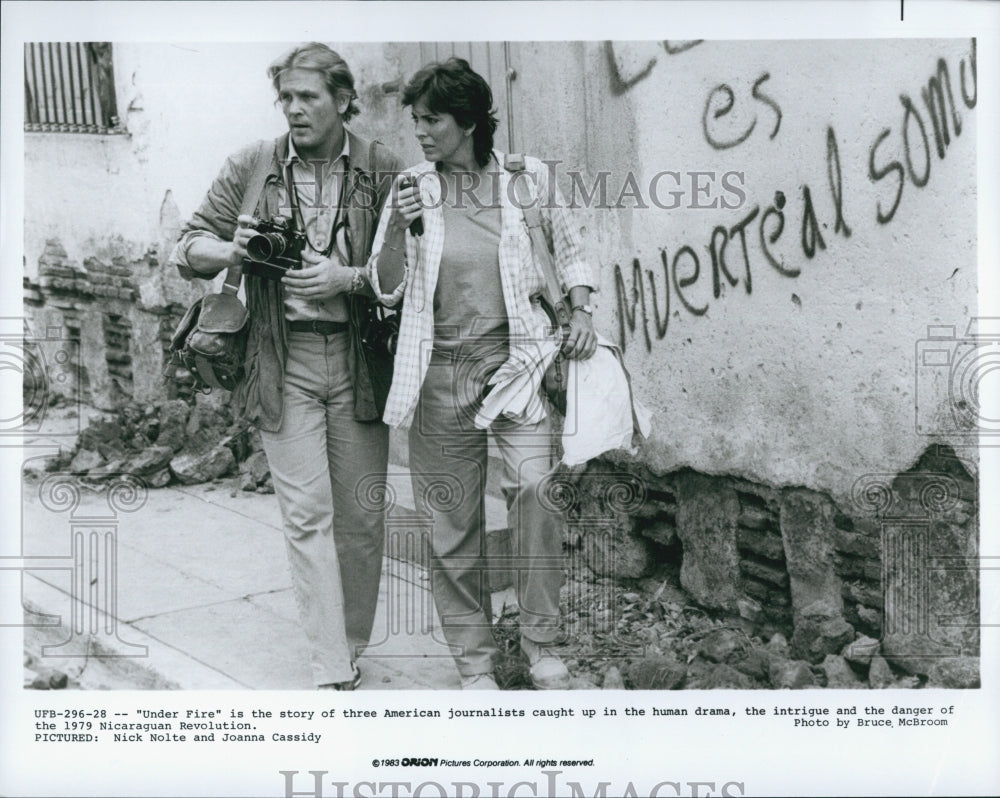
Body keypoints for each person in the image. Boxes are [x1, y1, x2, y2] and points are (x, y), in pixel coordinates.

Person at [169, 43, 403, 690]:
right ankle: (332, 664)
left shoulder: (383, 169)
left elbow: (407, 273)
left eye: (310, 97)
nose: (295, 109)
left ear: (344, 99)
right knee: (306, 514)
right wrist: (231, 250)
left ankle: (349, 642)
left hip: (359, 359)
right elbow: (186, 246)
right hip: (282, 358)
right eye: (287, 98)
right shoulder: (253, 165)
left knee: (360, 518)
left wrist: (347, 277)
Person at [368, 57, 598, 690]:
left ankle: (540, 642)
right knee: (451, 521)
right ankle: (474, 663)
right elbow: (383, 287)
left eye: (433, 119)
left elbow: (573, 248)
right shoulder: (413, 187)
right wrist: (400, 225)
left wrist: (580, 310)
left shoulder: (527, 180)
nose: (421, 131)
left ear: (468, 122)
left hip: (516, 367)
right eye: (415, 120)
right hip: (439, 372)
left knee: (535, 491)